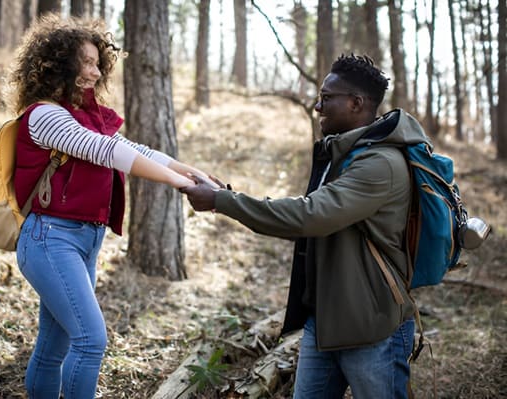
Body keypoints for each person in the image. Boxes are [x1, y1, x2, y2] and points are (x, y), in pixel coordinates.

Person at [182, 54, 429, 398]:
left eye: (328, 98)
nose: (317, 106)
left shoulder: (380, 164)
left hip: (372, 331)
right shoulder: (344, 153)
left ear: (357, 103)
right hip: (325, 324)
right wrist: (227, 195)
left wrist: (222, 201)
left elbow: (309, 216)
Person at [4, 14, 215, 399]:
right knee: (90, 339)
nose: (95, 69)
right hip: (50, 238)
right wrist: (179, 183)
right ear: (58, 63)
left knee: (55, 347)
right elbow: (105, 151)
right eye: (84, 61)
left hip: (82, 239)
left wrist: (191, 171)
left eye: (97, 61)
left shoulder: (87, 116)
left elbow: (133, 148)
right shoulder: (44, 114)